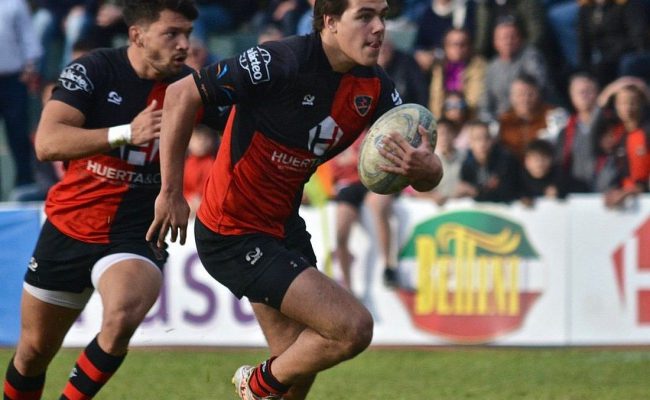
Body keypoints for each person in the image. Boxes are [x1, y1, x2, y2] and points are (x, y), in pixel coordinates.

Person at [147, 1, 444, 399]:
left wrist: (428, 170)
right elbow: (182, 94)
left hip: (283, 227)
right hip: (232, 230)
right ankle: (255, 386)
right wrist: (171, 191)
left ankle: (265, 387)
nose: (378, 27)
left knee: (296, 368)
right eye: (365, 16)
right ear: (330, 21)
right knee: (351, 328)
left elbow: (420, 171)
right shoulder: (279, 61)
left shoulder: (375, 87)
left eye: (382, 16)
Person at [2, 2, 202, 400]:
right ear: (137, 35)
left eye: (188, 34)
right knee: (33, 352)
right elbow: (47, 143)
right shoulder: (93, 70)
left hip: (137, 232)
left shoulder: (192, 88)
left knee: (122, 315)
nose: (184, 44)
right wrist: (125, 132)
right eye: (172, 34)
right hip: (71, 225)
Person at [0, 0, 42, 198]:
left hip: (13, 78)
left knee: (18, 132)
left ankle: (25, 183)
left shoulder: (14, 3)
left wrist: (30, 65)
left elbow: (28, 35)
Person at [184, 124, 220, 215]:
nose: (201, 142)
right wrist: (188, 198)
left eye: (206, 138)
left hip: (206, 205)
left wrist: (202, 200)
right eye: (197, 138)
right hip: (187, 203)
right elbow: (182, 188)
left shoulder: (214, 164)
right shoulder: (185, 164)